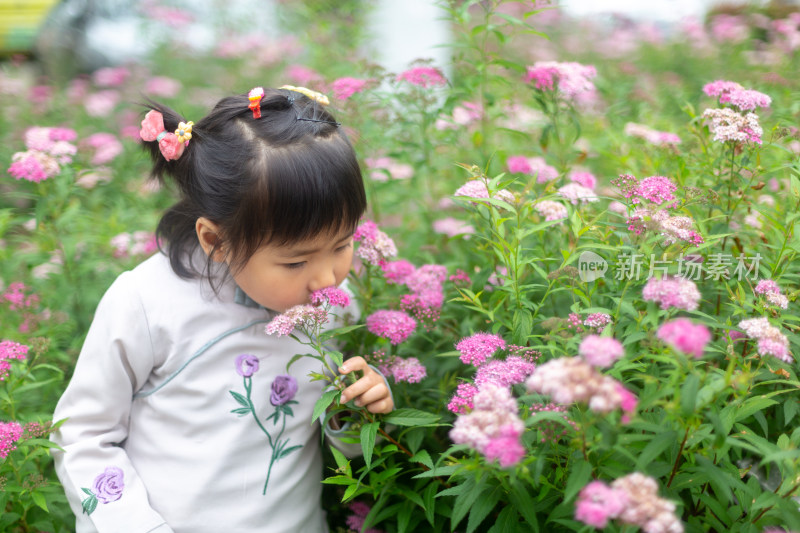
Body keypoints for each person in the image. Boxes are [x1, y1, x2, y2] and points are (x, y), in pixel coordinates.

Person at [51, 86, 394, 533]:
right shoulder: (148, 303)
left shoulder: (332, 305)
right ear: (215, 241)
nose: (327, 279)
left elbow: (345, 445)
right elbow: (82, 435)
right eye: (295, 261)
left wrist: (358, 410)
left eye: (343, 244)